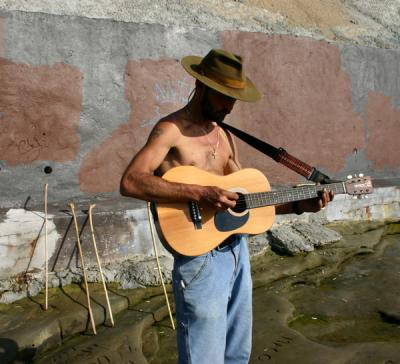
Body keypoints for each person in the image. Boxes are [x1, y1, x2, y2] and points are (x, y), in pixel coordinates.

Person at [120, 49, 333, 364]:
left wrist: (302, 206)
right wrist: (199, 192)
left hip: (237, 250)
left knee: (237, 354)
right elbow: (131, 182)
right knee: (203, 358)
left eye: (234, 98)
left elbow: (248, 205)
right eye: (224, 96)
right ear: (201, 85)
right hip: (200, 259)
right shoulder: (171, 130)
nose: (230, 106)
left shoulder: (226, 137)